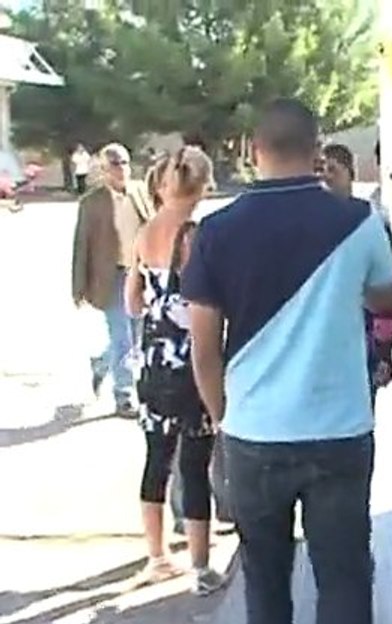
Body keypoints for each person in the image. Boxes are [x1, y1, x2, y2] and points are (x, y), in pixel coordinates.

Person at [183, 98, 392, 624]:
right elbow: (384, 292)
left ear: (254, 152)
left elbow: (205, 350)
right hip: (340, 435)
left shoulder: (218, 232)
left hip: (255, 437)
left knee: (267, 583)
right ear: (318, 149)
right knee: (344, 582)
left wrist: (225, 419)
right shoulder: (358, 221)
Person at [123, 146, 224, 596]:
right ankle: (201, 567)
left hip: (152, 357)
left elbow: (132, 301)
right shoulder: (197, 236)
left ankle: (157, 556)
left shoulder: (145, 233)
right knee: (195, 463)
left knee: (155, 458)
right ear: (201, 187)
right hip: (191, 359)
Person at [71, 143, 153, 418]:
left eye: (125, 163)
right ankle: (125, 395)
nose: (122, 169)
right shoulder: (92, 203)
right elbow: (81, 246)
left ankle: (101, 364)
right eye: (115, 164)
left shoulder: (140, 192)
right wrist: (78, 286)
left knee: (137, 337)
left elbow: (152, 226)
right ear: (104, 170)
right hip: (112, 277)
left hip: (140, 274)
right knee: (123, 338)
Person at [320, 142, 392, 406]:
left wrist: (385, 350)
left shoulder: (372, 222)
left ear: (351, 173)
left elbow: (386, 291)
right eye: (321, 172)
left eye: (333, 170)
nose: (327, 178)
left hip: (364, 341)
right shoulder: (312, 224)